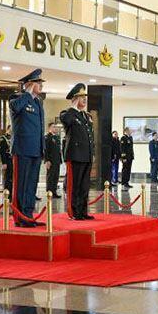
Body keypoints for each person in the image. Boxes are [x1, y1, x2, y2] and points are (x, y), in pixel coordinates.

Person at [9, 69, 45, 227]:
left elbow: (40, 127)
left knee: (31, 185)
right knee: (21, 184)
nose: (41, 86)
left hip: (36, 149)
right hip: (22, 149)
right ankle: (20, 217)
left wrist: (42, 148)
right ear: (29, 84)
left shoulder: (38, 102)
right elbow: (16, 108)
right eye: (38, 83)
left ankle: (29, 215)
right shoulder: (17, 98)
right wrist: (27, 93)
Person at [59, 84, 95, 221]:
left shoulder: (86, 115)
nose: (84, 99)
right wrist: (73, 107)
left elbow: (90, 137)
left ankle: (82, 211)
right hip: (75, 155)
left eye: (85, 97)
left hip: (86, 155)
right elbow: (66, 120)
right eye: (81, 97)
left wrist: (92, 153)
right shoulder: (67, 113)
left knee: (84, 186)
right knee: (74, 185)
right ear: (74, 99)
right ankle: (73, 212)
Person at [43, 122, 62, 198]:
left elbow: (58, 150)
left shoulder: (57, 137)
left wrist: (60, 160)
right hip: (50, 160)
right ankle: (49, 192)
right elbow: (46, 150)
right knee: (50, 177)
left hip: (57, 160)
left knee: (56, 176)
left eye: (56, 127)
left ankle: (54, 191)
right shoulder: (47, 137)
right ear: (49, 128)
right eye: (53, 127)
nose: (55, 128)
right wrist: (47, 160)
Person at [0, 128, 12, 196]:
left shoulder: (13, 137)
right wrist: (4, 162)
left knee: (12, 177)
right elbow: (2, 152)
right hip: (7, 160)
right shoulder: (3, 138)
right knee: (7, 177)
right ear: (8, 129)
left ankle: (12, 192)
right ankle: (7, 192)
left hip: (13, 160)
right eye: (10, 129)